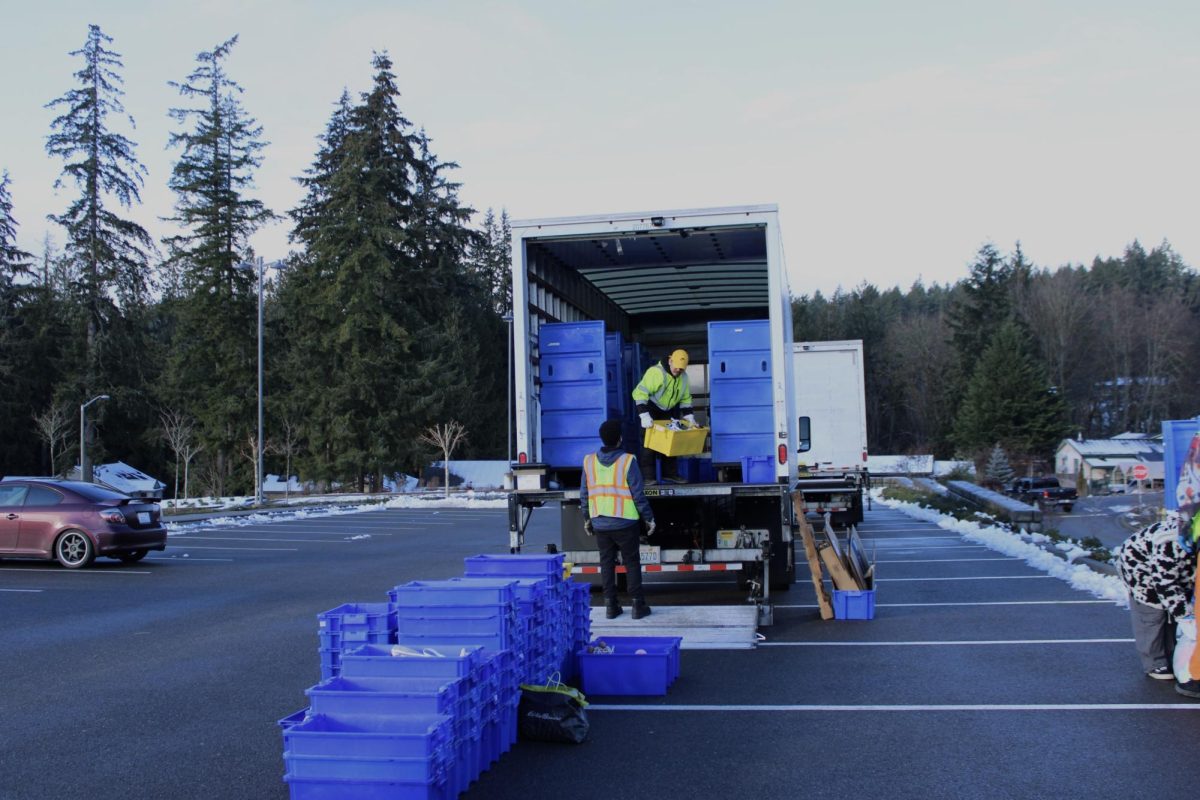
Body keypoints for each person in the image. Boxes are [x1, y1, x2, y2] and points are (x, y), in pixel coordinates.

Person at [579, 418, 656, 620]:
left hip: (600, 523)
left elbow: (584, 494)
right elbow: (638, 494)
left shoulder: (589, 461)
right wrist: (649, 518)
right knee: (631, 563)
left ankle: (611, 607)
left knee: (606, 564)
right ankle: (638, 606)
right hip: (625, 522)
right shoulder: (628, 461)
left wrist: (587, 518)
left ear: (602, 439)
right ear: (620, 439)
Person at [1115, 510, 1195, 681]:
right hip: (1139, 566)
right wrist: (1185, 616)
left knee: (1172, 616)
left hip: (1177, 572)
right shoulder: (1170, 543)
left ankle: (1171, 656)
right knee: (1151, 614)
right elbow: (1166, 584)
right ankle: (1154, 662)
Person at [632, 348, 697, 482]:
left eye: (681, 369)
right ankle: (647, 477)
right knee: (649, 443)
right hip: (651, 408)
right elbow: (639, 393)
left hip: (669, 410)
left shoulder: (684, 377)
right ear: (670, 360)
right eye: (677, 368)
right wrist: (644, 415)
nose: (678, 371)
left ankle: (669, 473)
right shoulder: (656, 372)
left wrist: (689, 417)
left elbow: (685, 399)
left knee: (671, 441)